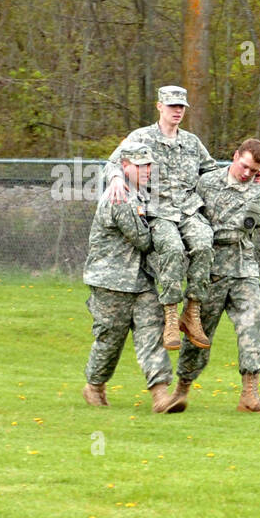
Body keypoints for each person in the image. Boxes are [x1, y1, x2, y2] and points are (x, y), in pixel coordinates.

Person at [106, 85, 219, 353]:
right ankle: (170, 315)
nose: (177, 111)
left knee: (204, 243)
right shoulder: (141, 137)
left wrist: (245, 178)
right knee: (172, 249)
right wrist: (114, 179)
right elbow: (113, 162)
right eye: (172, 106)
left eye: (181, 107)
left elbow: (212, 171)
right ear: (160, 107)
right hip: (158, 210)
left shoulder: (192, 142)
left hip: (189, 209)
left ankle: (191, 313)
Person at [168, 138, 260, 413]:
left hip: (242, 267)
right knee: (199, 333)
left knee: (254, 318)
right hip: (209, 271)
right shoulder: (206, 183)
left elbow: (248, 226)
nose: (247, 173)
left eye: (254, 170)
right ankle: (181, 390)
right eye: (244, 166)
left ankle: (250, 395)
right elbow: (188, 217)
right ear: (235, 155)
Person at [81, 143, 185, 413]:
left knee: (151, 334)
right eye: (140, 165)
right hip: (111, 282)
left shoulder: (141, 194)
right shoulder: (120, 197)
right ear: (125, 167)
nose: (147, 170)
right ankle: (94, 386)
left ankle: (161, 395)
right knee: (110, 341)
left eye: (149, 165)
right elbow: (143, 239)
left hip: (141, 282)